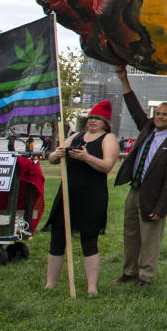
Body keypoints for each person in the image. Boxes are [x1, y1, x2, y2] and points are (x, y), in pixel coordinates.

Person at [113, 67, 167, 287]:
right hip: (134, 190)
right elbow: (133, 106)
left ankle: (145, 276)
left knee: (150, 238)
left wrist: (161, 207)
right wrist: (124, 79)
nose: (160, 117)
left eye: (165, 115)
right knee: (131, 233)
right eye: (158, 114)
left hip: (153, 196)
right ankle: (129, 270)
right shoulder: (146, 128)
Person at [45, 100, 119, 296]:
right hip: (68, 193)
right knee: (58, 237)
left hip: (91, 195)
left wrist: (86, 157)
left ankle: (91, 288)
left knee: (89, 239)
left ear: (105, 123)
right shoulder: (76, 136)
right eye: (91, 118)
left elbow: (107, 166)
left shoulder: (108, 138)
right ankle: (50, 284)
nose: (93, 121)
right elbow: (53, 157)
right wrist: (56, 154)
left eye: (98, 119)